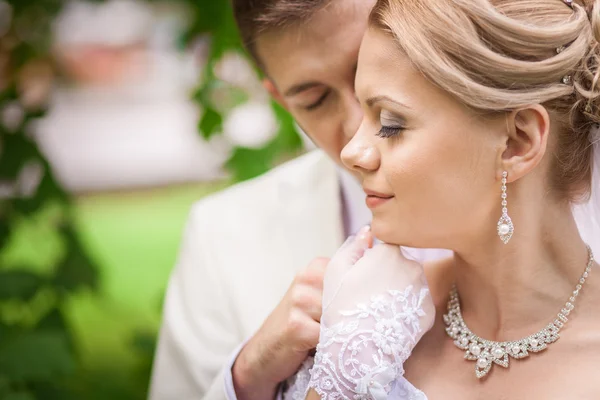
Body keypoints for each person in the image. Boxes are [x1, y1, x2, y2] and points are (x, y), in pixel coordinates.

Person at [283, 0, 600, 398]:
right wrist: (345, 369)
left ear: (517, 142)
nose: (351, 152)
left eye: (389, 124)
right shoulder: (365, 319)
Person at [148, 1, 449, 399]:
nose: (357, 122)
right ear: (279, 99)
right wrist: (249, 373)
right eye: (314, 100)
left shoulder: (546, 196)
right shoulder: (218, 236)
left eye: (372, 68)